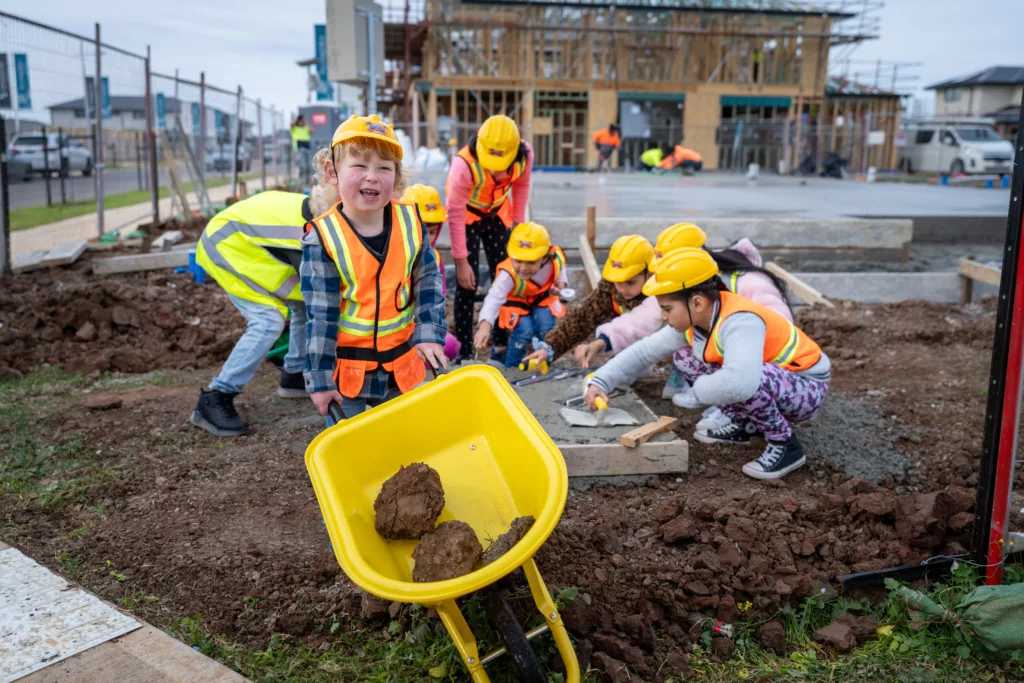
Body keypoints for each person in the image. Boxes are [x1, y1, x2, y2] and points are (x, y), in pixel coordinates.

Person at [584, 248, 830, 480]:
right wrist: (602, 381)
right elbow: (645, 351)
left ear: (697, 303)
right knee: (685, 359)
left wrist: (697, 393)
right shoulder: (698, 320)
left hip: (807, 387)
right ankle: (741, 424)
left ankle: (785, 445)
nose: (662, 316)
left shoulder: (740, 321)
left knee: (747, 377)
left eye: (667, 308)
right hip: (778, 382)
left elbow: (741, 382)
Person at [302, 114, 448, 423]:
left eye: (383, 168)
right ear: (332, 173)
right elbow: (320, 316)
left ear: (395, 180)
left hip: (402, 365)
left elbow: (429, 282)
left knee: (402, 446)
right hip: (348, 374)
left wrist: (428, 333)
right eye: (359, 166)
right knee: (350, 451)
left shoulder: (411, 223)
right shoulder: (323, 238)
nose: (372, 176)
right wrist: (319, 379)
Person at [190, 191, 312, 437]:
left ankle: (295, 374)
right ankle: (216, 396)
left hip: (251, 245)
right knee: (268, 322)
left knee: (303, 304)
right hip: (225, 243)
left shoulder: (325, 213)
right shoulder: (315, 234)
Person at [445, 115, 534, 361]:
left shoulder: (524, 155)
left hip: (497, 214)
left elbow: (521, 188)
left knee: (504, 275)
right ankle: (463, 352)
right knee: (466, 284)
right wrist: (461, 262)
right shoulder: (464, 164)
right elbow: (454, 212)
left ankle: (500, 345)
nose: (495, 168)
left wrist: (518, 230)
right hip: (467, 218)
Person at [520, 234, 659, 369]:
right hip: (626, 343)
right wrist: (550, 348)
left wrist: (603, 341)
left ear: (649, 274)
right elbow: (582, 319)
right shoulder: (609, 288)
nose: (622, 289)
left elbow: (637, 323)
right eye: (618, 281)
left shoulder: (659, 293)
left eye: (630, 282)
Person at [473, 222, 567, 368]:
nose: (523, 268)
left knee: (546, 326)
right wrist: (485, 326)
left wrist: (561, 284)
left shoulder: (555, 258)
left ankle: (545, 360)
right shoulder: (508, 274)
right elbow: (494, 298)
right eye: (518, 261)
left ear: (544, 257)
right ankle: (512, 366)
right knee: (524, 330)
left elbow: (560, 267)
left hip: (541, 298)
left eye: (530, 262)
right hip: (516, 302)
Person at [401, 183, 463, 361]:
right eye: (422, 230)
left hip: (421, 326)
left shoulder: (435, 258)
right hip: (393, 330)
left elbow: (438, 298)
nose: (428, 237)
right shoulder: (394, 253)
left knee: (450, 346)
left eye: (433, 232)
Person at [291, 115, 313, 187]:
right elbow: (291, 124)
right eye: (300, 120)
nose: (301, 122)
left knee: (308, 166)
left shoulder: (306, 127)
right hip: (299, 148)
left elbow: (311, 131)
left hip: (307, 147)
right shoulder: (294, 128)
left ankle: (307, 182)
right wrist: (297, 119)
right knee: (301, 166)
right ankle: (301, 182)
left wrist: (305, 123)